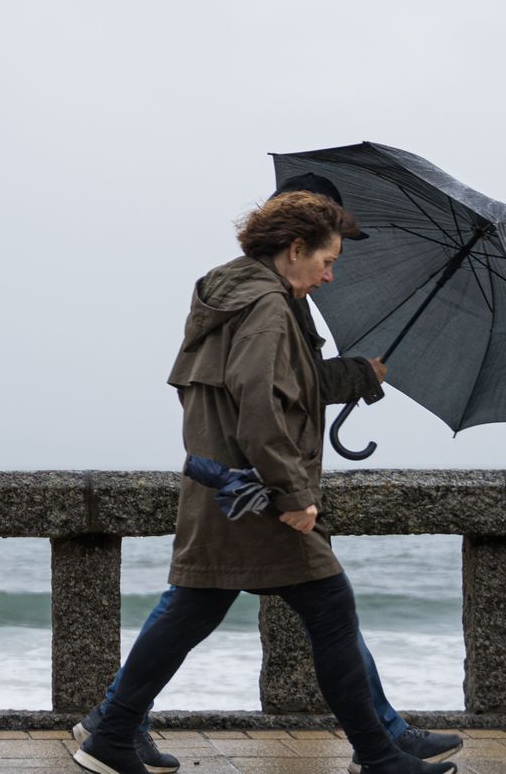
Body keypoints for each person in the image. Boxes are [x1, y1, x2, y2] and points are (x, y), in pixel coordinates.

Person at [74, 176, 460, 774]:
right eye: (327, 260)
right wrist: (294, 492)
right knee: (330, 607)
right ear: (296, 248)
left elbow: (282, 386)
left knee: (193, 609)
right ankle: (380, 753)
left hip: (222, 489)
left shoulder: (237, 295)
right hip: (254, 495)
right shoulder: (268, 307)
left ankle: (113, 729)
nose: (330, 275)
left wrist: (359, 375)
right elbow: (258, 407)